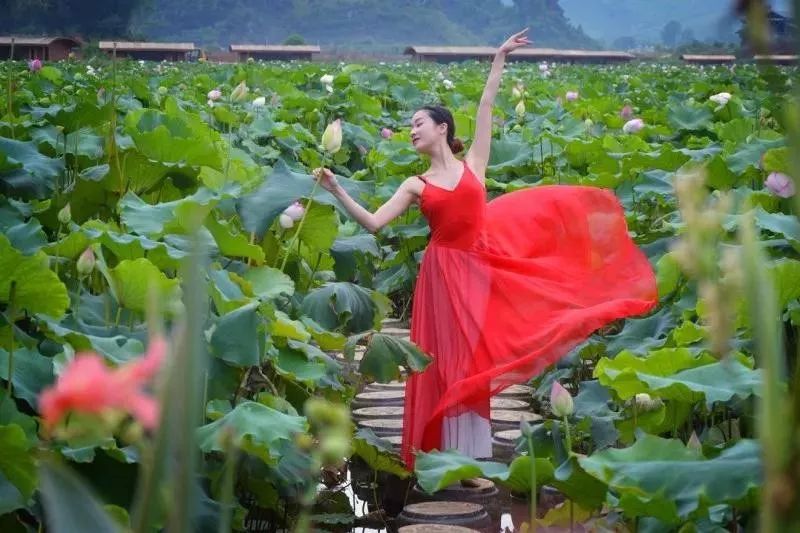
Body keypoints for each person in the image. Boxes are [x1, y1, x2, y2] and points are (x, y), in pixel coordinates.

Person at [313, 28, 658, 483]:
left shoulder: (475, 163)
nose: (412, 130)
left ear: (442, 128)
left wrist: (498, 58)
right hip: (441, 273)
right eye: (411, 125)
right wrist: (338, 189)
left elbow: (488, 107)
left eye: (419, 123)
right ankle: (442, 456)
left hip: (480, 266)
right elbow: (375, 223)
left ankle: (470, 460)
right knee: (444, 362)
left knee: (474, 361)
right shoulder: (415, 184)